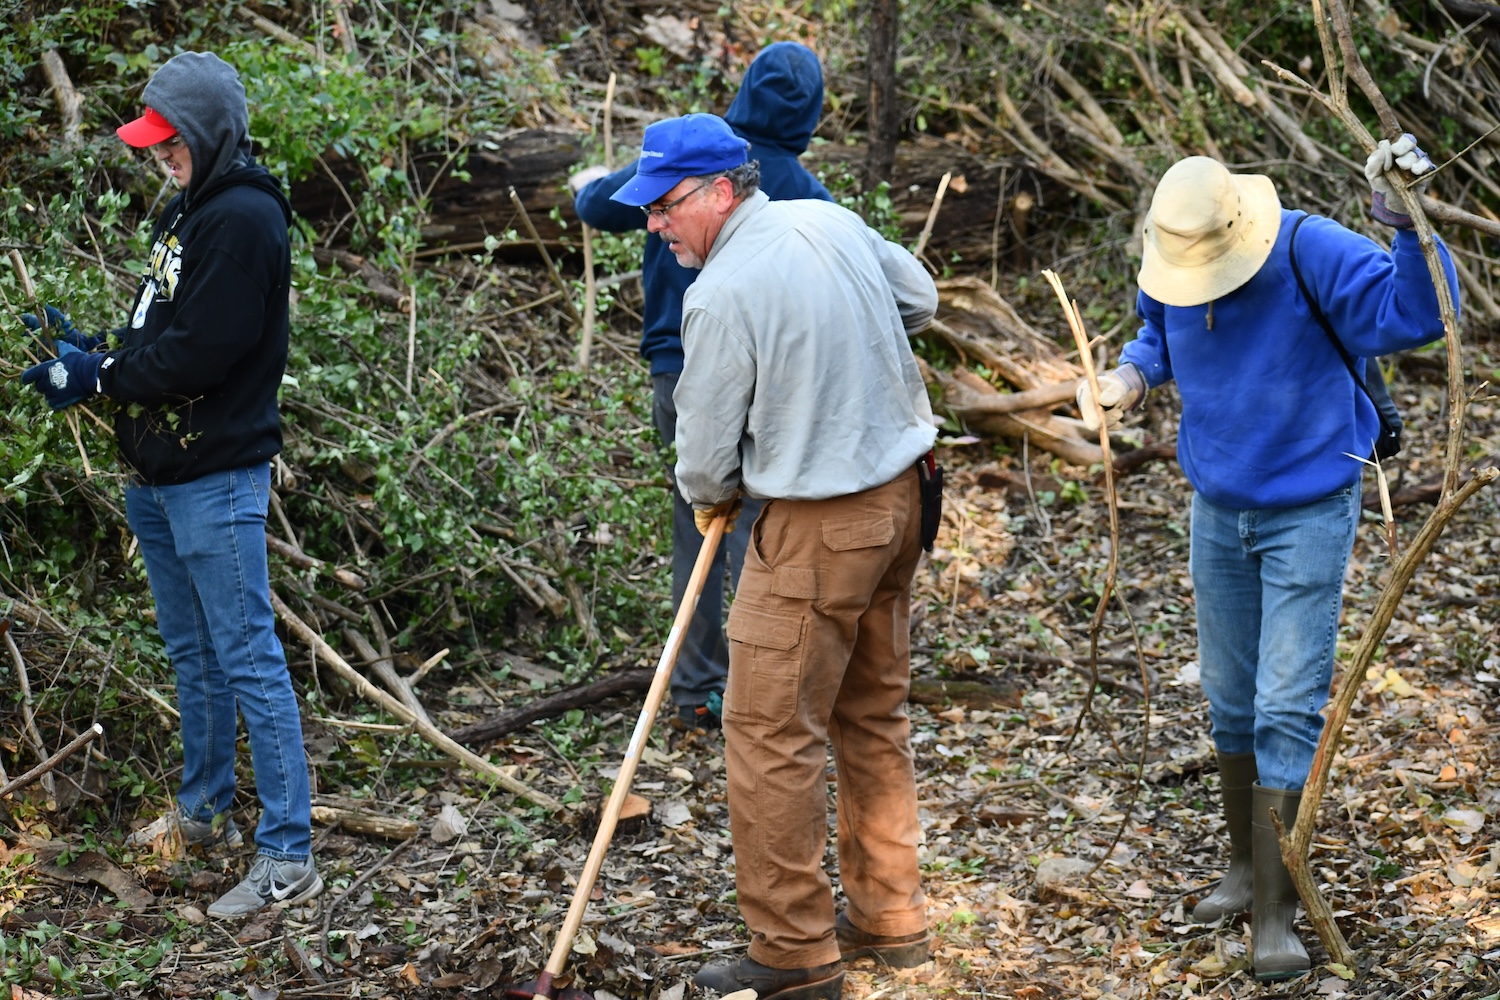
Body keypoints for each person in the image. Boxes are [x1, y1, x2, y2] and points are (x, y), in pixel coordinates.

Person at [1078, 139, 1458, 980]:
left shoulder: (1307, 247)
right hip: (1219, 508)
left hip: (1310, 507)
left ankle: (1279, 910)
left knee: (1286, 700)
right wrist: (1131, 380)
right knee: (1229, 695)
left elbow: (1418, 313)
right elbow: (1157, 334)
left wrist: (1403, 216)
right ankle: (1245, 868)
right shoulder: (1174, 251)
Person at [609, 112, 937, 1000]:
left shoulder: (720, 293)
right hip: (903, 504)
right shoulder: (827, 221)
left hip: (822, 523)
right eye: (646, 208)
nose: (653, 224)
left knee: (764, 732)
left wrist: (715, 493)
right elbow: (921, 299)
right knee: (871, 711)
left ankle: (793, 954)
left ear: (721, 190)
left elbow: (706, 456)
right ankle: (890, 916)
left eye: (666, 206)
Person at [19, 51, 322, 918]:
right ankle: (203, 813)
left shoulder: (243, 219)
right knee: (195, 653)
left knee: (249, 658)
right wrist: (97, 349)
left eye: (172, 142)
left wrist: (99, 379)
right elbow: (164, 323)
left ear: (210, 132)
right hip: (159, 473)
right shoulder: (192, 210)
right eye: (153, 144)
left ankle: (288, 854)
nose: (160, 156)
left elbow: (205, 351)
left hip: (215, 475)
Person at [570, 42, 834, 730]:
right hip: (764, 378)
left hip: (678, 369)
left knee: (701, 522)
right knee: (755, 523)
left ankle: (700, 685)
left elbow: (599, 206)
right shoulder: (790, 185)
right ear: (809, 114)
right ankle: (748, 685)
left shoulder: (701, 164)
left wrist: (589, 183)